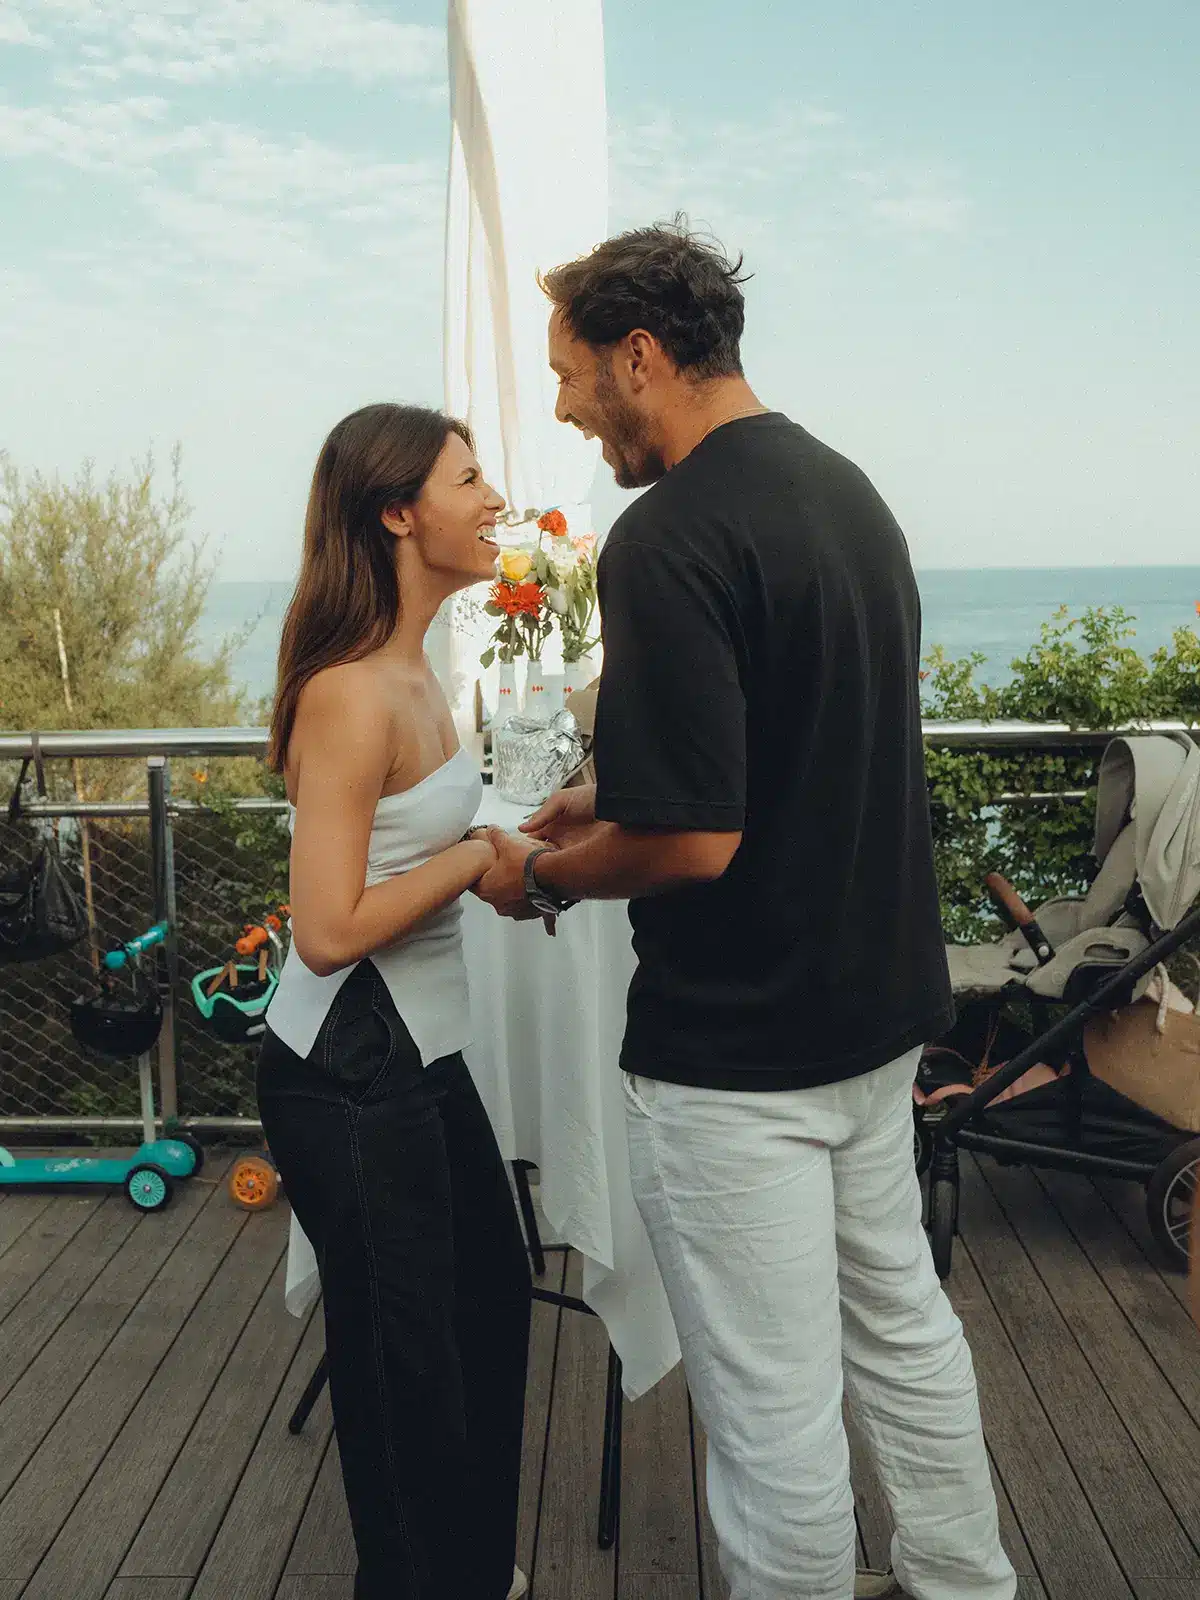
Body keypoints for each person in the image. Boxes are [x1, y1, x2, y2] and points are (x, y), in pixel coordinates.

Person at [474, 221, 1018, 1600]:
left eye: (570, 374)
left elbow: (697, 839)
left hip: (740, 1052)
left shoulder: (668, 537)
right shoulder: (848, 494)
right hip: (871, 1015)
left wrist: (540, 875)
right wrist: (611, 786)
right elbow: (788, 741)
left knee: (771, 1405)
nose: (561, 405)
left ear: (639, 356)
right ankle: (966, 1582)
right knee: (902, 1326)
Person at [258, 403, 532, 1600]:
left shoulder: (423, 667)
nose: (496, 500)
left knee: (491, 1306)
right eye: (470, 479)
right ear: (397, 511)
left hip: (422, 1053)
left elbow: (410, 850)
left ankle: (468, 1571)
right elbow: (322, 933)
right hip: (346, 1072)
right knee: (399, 1370)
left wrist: (506, 838)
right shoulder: (351, 693)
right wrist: (475, 860)